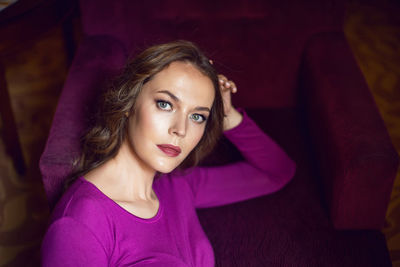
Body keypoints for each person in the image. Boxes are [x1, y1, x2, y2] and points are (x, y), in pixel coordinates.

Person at [41, 40, 296, 266]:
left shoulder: (178, 185)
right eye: (165, 104)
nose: (180, 130)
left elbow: (277, 172)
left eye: (197, 116)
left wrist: (228, 116)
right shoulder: (80, 224)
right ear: (129, 102)